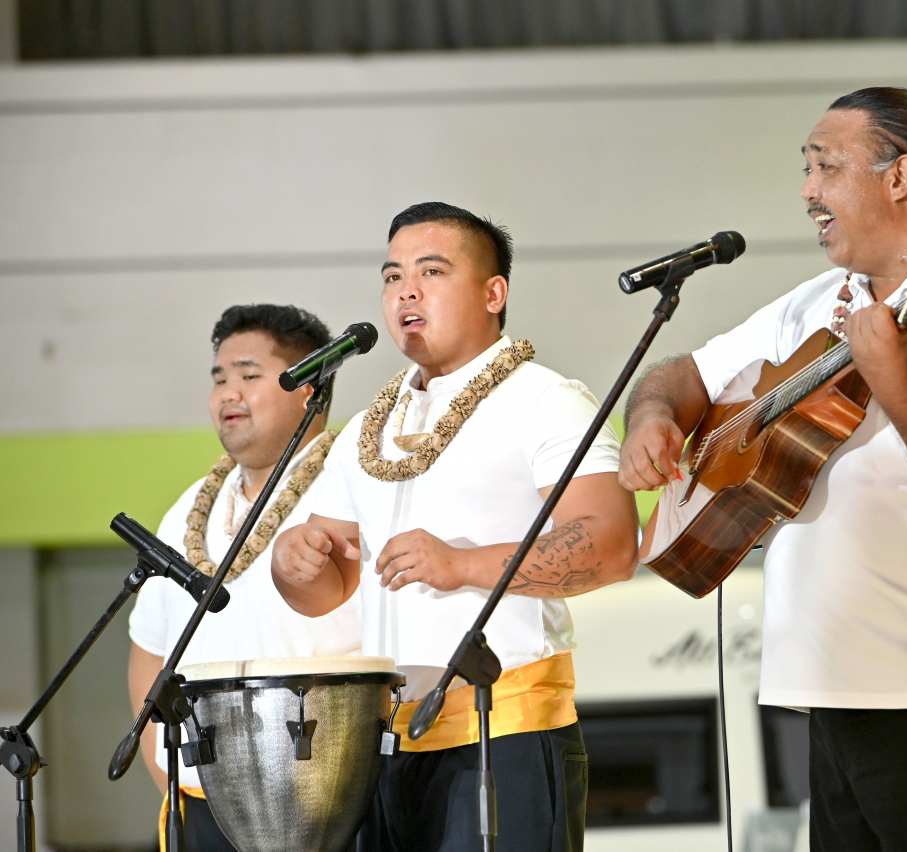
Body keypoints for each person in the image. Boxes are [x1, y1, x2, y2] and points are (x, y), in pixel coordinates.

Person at [619, 87, 907, 852]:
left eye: (825, 167)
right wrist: (653, 418)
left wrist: (893, 378)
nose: (807, 191)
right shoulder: (819, 302)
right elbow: (680, 373)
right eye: (806, 170)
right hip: (831, 691)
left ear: (899, 177)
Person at [271, 202, 640, 852]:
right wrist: (293, 563)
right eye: (391, 277)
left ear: (494, 293)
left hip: (507, 735)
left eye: (431, 271)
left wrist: (462, 564)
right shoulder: (366, 429)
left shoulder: (545, 399)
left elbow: (610, 544)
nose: (405, 291)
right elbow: (327, 587)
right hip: (385, 742)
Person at [127, 304, 362, 851]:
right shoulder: (188, 509)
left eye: (249, 376)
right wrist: (176, 785)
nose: (228, 393)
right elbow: (150, 655)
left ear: (308, 388)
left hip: (331, 802)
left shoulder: (351, 487)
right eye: (219, 378)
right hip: (202, 802)